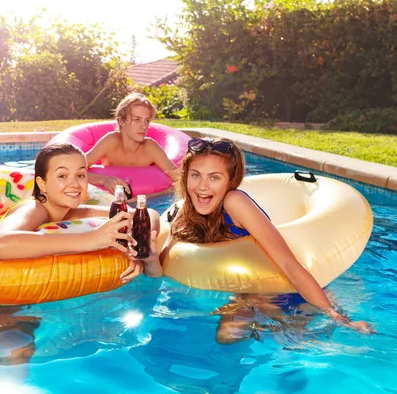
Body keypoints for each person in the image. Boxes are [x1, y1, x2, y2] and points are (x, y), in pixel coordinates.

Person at [144, 137, 374, 334]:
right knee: (227, 336)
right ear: (185, 177)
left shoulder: (235, 202)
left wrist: (338, 317)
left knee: (294, 347)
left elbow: (287, 262)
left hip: (289, 290)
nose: (202, 186)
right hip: (250, 294)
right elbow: (161, 272)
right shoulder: (186, 211)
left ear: (230, 181)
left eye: (214, 177)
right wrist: (150, 257)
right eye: (195, 175)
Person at [0, 142, 160, 284]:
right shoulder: (35, 209)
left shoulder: (71, 213)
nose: (75, 184)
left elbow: (149, 214)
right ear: (42, 183)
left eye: (81, 175)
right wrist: (91, 239)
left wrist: (137, 250)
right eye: (62, 176)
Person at [87, 93, 177, 195]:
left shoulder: (150, 148)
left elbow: (181, 179)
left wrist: (149, 197)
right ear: (121, 121)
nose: (144, 126)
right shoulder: (110, 142)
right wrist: (104, 180)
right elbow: (74, 169)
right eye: (137, 119)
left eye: (147, 120)